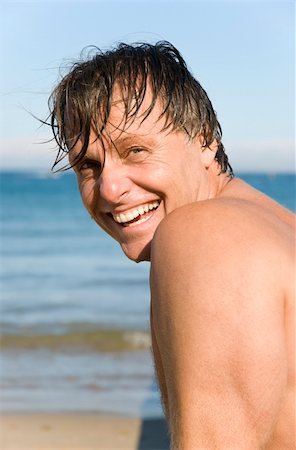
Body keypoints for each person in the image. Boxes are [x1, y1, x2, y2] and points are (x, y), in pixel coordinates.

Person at [48, 41, 295, 449]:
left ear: (204, 139)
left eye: (136, 151)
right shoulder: (276, 228)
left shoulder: (206, 234)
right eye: (89, 166)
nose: (109, 188)